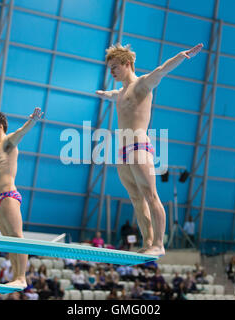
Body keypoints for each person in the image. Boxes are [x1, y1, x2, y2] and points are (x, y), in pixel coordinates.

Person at [96, 42, 203, 256]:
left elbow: (162, 69)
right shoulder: (121, 91)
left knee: (150, 195)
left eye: (115, 67)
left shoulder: (143, 84)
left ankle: (159, 245)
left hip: (138, 147)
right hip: (122, 152)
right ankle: (147, 243)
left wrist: (182, 56)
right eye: (110, 68)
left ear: (127, 64)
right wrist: (104, 94)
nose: (112, 71)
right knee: (136, 199)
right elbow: (113, 95)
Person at [0, 107, 44, 287]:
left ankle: (22, 277)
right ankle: (15, 277)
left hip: (8, 196)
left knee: (16, 237)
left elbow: (21, 132)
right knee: (8, 241)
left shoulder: (7, 142)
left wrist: (33, 120)